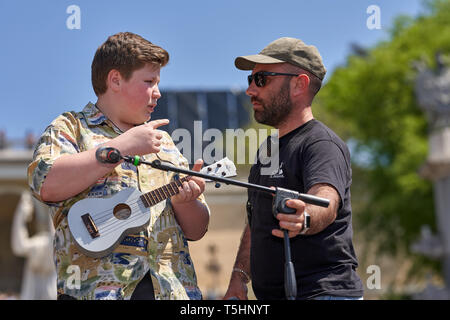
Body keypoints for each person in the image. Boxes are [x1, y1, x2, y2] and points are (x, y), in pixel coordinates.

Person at [27, 32, 210, 300]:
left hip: (173, 291)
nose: (158, 93)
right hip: (97, 293)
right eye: (149, 81)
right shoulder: (71, 127)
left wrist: (186, 201)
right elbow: (45, 183)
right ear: (115, 80)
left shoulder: (166, 143)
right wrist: (123, 146)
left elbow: (198, 229)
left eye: (158, 82)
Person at [223, 37, 364, 300]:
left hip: (324, 294)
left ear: (299, 84)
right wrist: (239, 279)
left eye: (262, 79)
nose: (250, 90)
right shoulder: (268, 150)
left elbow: (327, 199)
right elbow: (257, 223)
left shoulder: (321, 143)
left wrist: (305, 217)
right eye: (250, 80)